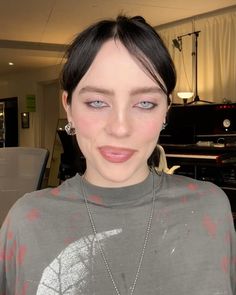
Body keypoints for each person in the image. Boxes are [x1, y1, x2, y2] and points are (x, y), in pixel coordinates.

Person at [0, 15, 235, 295]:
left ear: (165, 111)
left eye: (145, 103)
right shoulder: (27, 222)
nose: (120, 128)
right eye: (97, 102)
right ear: (69, 107)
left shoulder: (211, 210)